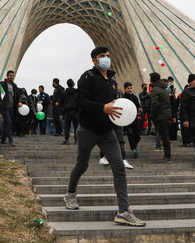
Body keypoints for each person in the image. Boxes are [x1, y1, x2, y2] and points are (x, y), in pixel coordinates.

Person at [64, 47, 145, 227]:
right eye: (102, 56)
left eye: (108, 55)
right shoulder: (87, 78)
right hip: (87, 130)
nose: (106, 58)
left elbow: (114, 105)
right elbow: (80, 102)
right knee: (82, 164)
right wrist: (102, 108)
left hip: (107, 131)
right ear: (94, 60)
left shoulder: (113, 82)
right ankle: (70, 193)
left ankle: (124, 211)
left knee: (119, 167)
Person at [149, 72, 172, 163]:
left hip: (160, 116)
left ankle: (167, 156)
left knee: (164, 136)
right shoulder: (164, 90)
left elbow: (154, 104)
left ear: (152, 80)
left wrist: (152, 115)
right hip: (167, 116)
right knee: (166, 136)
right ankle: (167, 155)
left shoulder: (155, 90)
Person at [0, 70, 22, 145]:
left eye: (13, 76)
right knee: (8, 123)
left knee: (8, 124)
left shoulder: (14, 85)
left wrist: (19, 102)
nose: (12, 77)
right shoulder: (2, 84)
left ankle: (3, 139)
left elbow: (17, 96)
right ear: (7, 76)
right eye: (10, 75)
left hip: (12, 107)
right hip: (5, 107)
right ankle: (10, 140)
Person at [122, 82, 141, 159]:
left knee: (137, 135)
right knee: (130, 134)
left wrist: (139, 108)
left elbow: (138, 105)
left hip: (134, 118)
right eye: (128, 88)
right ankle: (133, 149)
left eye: (130, 88)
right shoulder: (123, 98)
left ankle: (134, 145)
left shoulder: (135, 97)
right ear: (125, 89)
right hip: (126, 119)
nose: (130, 90)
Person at [62, 79, 79, 145]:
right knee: (76, 127)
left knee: (67, 127)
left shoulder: (64, 92)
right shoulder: (77, 92)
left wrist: (62, 112)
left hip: (67, 111)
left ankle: (67, 140)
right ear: (73, 84)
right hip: (75, 111)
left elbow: (63, 103)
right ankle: (76, 140)